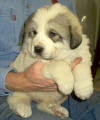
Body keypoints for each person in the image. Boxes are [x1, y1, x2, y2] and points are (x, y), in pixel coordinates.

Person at [0, 0, 100, 120]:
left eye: (52, 33)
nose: (38, 44)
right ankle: (20, 100)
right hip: (7, 92)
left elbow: (78, 48)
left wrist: (82, 82)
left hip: (63, 94)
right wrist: (17, 80)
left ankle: (49, 106)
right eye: (35, 32)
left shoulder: (63, 11)